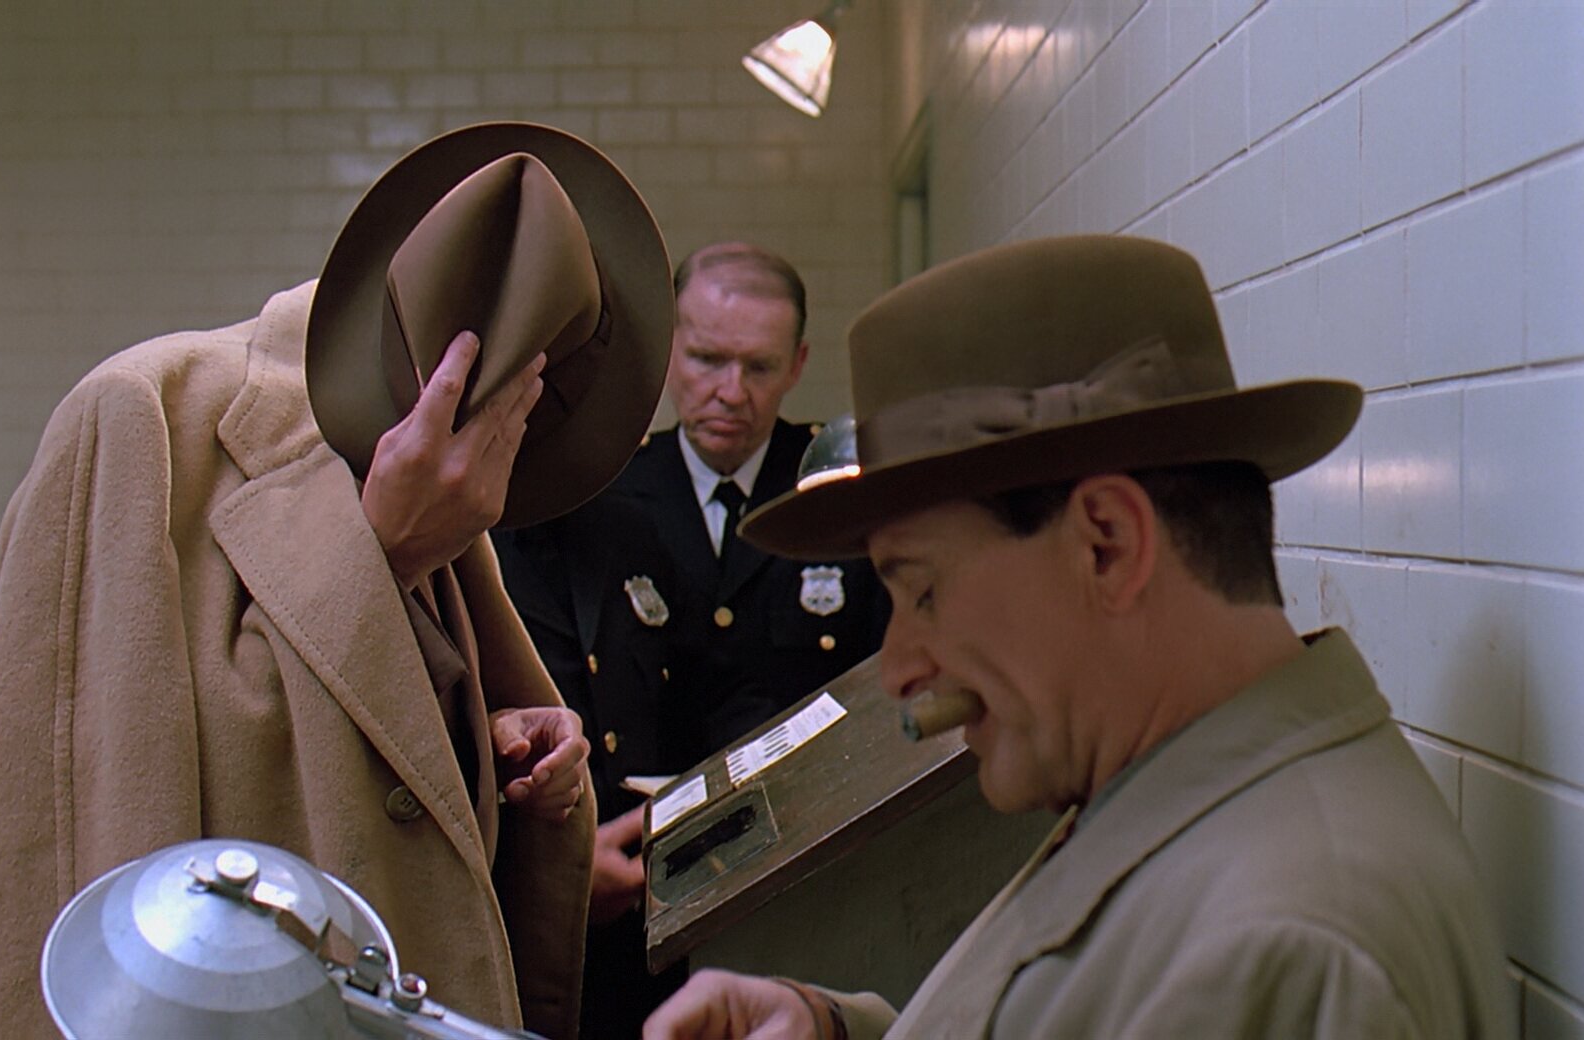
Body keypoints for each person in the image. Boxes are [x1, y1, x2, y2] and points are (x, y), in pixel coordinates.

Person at [642, 235, 1513, 1039]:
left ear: (1108, 545)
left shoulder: (1292, 946)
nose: (900, 669)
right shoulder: (1179, 793)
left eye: (924, 591)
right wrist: (835, 1029)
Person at [0, 123, 673, 1039]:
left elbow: (403, 766)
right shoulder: (141, 423)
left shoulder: (436, 481)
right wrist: (385, 553)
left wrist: (508, 754)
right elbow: (63, 835)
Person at [613, 243, 887, 765]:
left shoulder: (837, 494)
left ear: (796, 365)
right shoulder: (615, 495)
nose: (732, 392)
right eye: (708, 360)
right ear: (669, 348)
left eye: (760, 367)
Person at [492, 488, 690, 1039]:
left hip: (649, 911)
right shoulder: (459, 545)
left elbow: (686, 698)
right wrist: (573, 869)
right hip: (522, 924)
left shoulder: (627, 526)